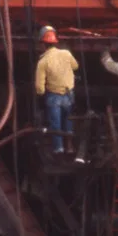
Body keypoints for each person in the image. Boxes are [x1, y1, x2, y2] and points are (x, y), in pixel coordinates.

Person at [33, 25, 81, 160]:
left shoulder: (42, 62)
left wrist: (41, 93)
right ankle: (70, 146)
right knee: (69, 120)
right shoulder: (66, 53)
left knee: (55, 123)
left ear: (42, 44)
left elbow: (39, 87)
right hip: (69, 94)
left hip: (53, 96)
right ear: (55, 42)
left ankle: (59, 149)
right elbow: (76, 66)